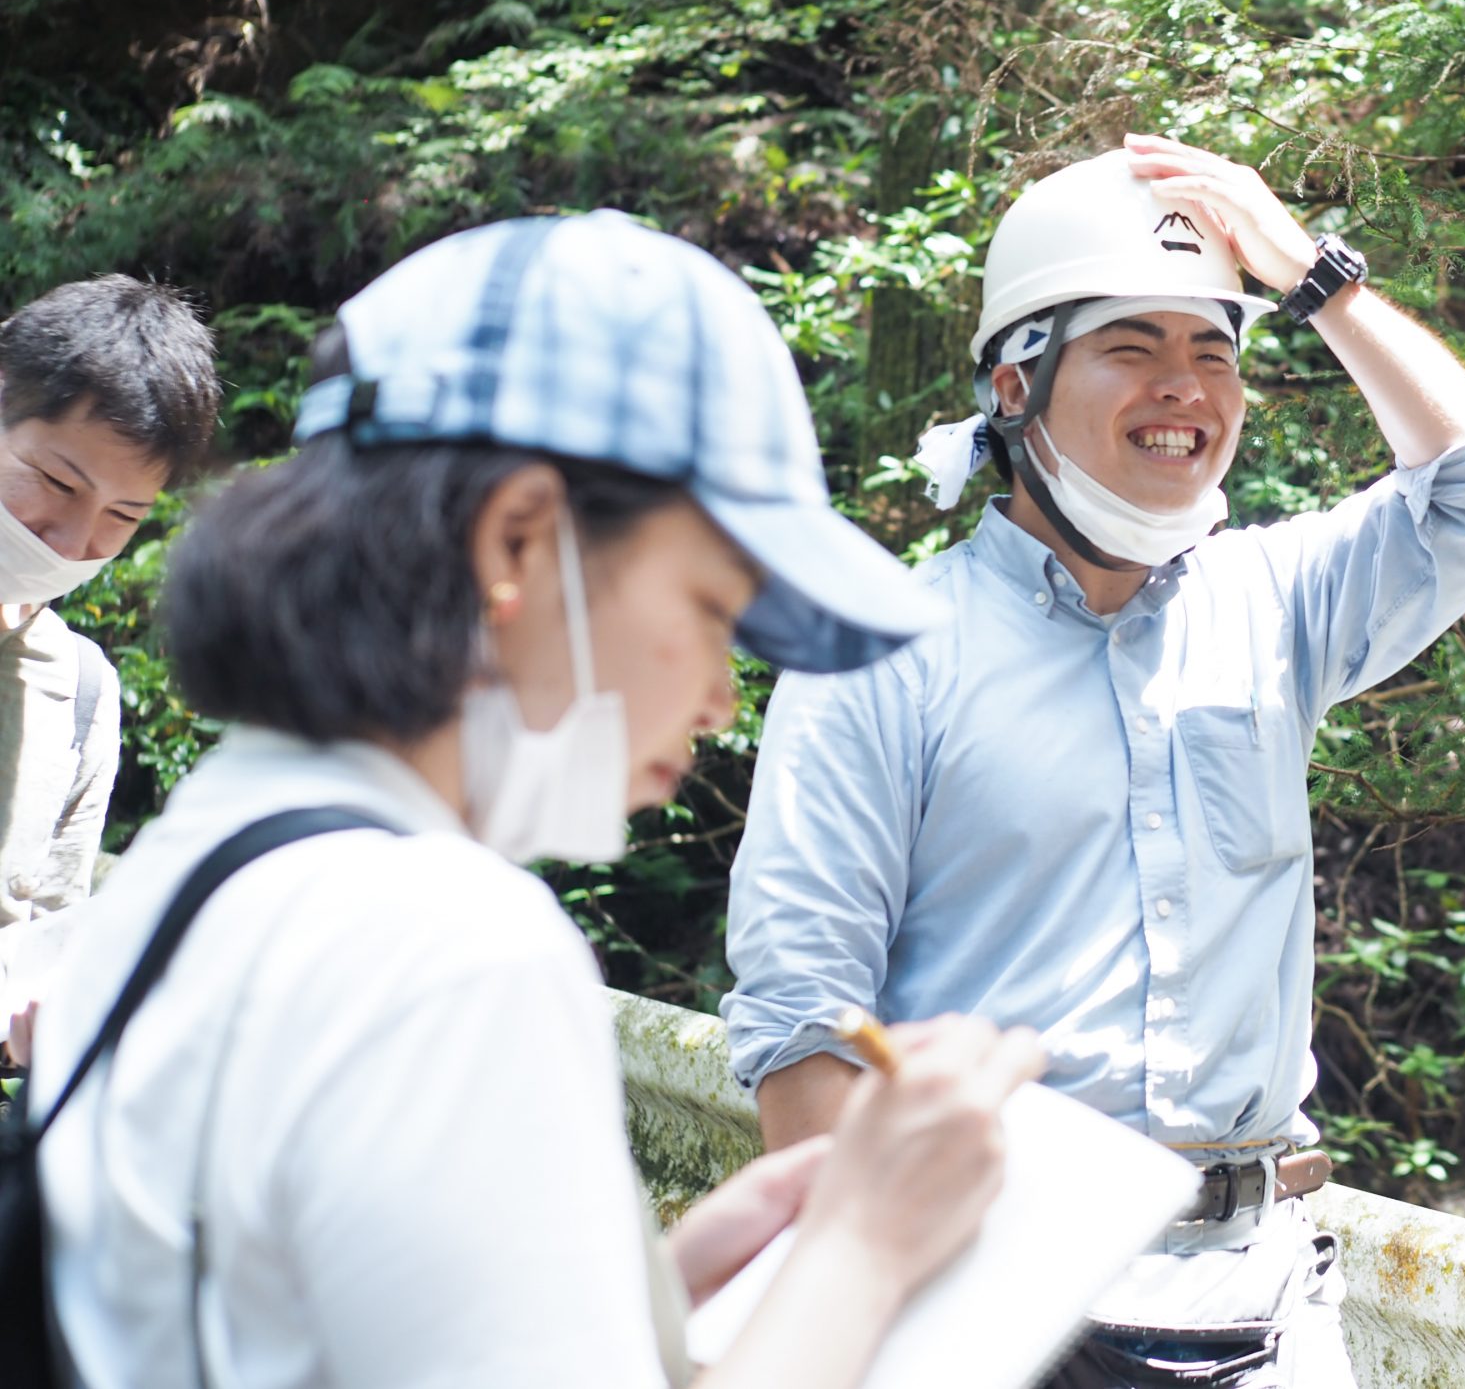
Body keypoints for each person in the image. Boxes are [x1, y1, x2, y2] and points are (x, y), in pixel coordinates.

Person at [30, 213, 1043, 1389]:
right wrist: (868, 1246)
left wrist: (651, 1294)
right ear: (518, 540)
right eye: (714, 610)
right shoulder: (449, 948)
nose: (722, 700)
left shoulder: (214, 856)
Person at [723, 133, 1465, 1385]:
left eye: (1213, 352)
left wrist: (1307, 277)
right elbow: (806, 1032)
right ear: (1014, 386)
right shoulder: (882, 656)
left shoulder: (1272, 602)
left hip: (1267, 1301)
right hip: (997, 1311)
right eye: (1132, 346)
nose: (1187, 389)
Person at [0, 276, 219, 1064]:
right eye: (58, 482)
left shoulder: (82, 695)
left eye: (124, 517)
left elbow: (42, 949)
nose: (74, 539)